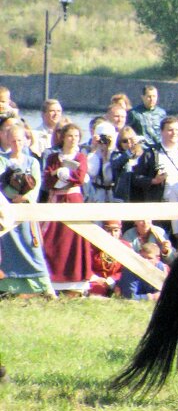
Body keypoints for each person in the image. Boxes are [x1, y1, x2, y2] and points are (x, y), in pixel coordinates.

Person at [0, 121, 54, 297]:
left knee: (33, 248)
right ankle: (9, 288)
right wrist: (10, 195)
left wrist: (25, 197)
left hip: (26, 212)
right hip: (6, 210)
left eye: (20, 140)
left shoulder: (32, 162)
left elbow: (36, 185)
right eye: (13, 140)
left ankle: (44, 286)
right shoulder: (2, 160)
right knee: (7, 251)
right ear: (8, 140)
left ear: (25, 141)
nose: (16, 144)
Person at [41, 123, 94, 296]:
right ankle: (50, 278)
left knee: (74, 239)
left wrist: (66, 176)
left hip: (73, 199)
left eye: (76, 136)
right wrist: (58, 175)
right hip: (56, 199)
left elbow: (79, 177)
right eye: (70, 136)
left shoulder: (81, 156)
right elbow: (48, 180)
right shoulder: (53, 157)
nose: (73, 140)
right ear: (63, 137)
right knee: (52, 239)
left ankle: (74, 282)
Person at [84, 121, 119, 203]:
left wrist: (107, 156)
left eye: (107, 138)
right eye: (102, 137)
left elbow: (108, 179)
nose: (104, 141)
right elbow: (91, 172)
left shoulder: (116, 153)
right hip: (96, 192)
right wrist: (94, 150)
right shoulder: (88, 151)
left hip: (112, 193)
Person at [87, 221, 124, 297]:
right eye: (109, 231)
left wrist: (111, 281)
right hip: (97, 281)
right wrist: (97, 279)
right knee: (95, 292)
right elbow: (86, 266)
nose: (113, 234)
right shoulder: (93, 247)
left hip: (117, 281)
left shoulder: (126, 247)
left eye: (116, 231)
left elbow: (127, 270)